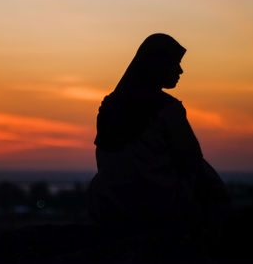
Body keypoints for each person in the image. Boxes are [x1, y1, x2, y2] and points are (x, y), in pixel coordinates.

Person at [87, 33, 230, 258]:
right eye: (175, 64)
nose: (180, 71)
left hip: (110, 203)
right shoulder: (168, 109)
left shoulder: (109, 107)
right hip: (156, 204)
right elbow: (191, 159)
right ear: (157, 65)